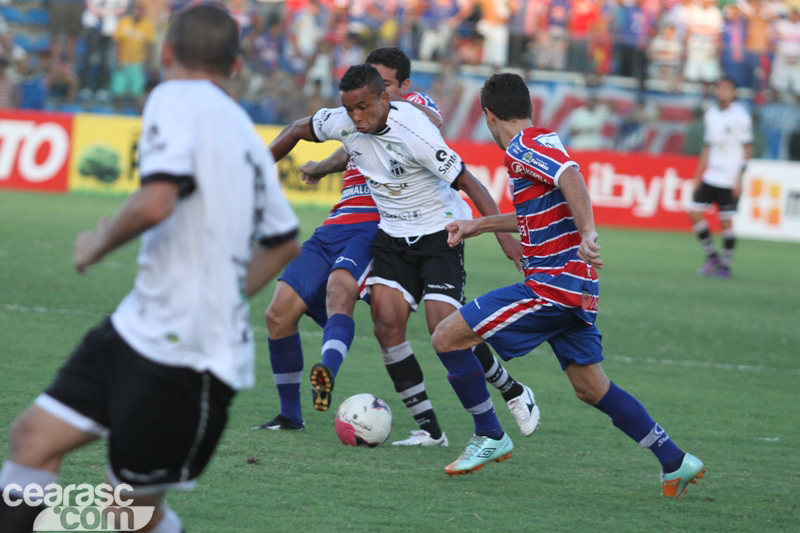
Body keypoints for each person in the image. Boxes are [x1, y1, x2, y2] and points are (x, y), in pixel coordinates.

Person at [0, 5, 300, 532]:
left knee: (129, 516)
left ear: (165, 55)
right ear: (235, 66)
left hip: (187, 357)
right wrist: (226, 298)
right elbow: (282, 243)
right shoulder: (246, 136)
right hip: (135, 327)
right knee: (33, 440)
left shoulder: (173, 95)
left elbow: (157, 201)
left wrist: (96, 243)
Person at [430, 73, 705, 500]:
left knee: (447, 336)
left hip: (551, 288)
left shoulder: (526, 145)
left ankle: (489, 434)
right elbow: (532, 215)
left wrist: (588, 231)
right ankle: (675, 460)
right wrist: (478, 224)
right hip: (576, 289)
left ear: (488, 114)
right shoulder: (533, 146)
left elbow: (570, 176)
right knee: (591, 387)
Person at [267, 63, 539, 447]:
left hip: (438, 232)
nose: (356, 118)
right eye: (350, 109)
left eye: (364, 107)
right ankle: (432, 430)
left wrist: (506, 240)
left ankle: (509, 394)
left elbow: (468, 181)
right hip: (393, 234)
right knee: (386, 323)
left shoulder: (415, 135)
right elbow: (298, 129)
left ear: (386, 97)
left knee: (443, 327)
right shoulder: (345, 121)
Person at [256, 46, 446, 430]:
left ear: (399, 87)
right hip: (337, 220)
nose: (370, 96)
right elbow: (332, 139)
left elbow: (431, 121)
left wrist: (394, 106)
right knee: (278, 314)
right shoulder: (358, 122)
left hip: (378, 222)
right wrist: (320, 167)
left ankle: (327, 368)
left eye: (384, 86)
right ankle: (290, 416)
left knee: (339, 289)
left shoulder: (411, 111)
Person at [688, 76, 753, 279]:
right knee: (694, 211)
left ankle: (725, 264)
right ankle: (712, 256)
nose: (722, 92)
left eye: (727, 89)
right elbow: (708, 146)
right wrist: (698, 174)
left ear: (734, 93)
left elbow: (748, 147)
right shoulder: (711, 114)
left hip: (730, 176)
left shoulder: (741, 116)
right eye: (720, 88)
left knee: (726, 221)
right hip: (712, 174)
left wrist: (740, 178)